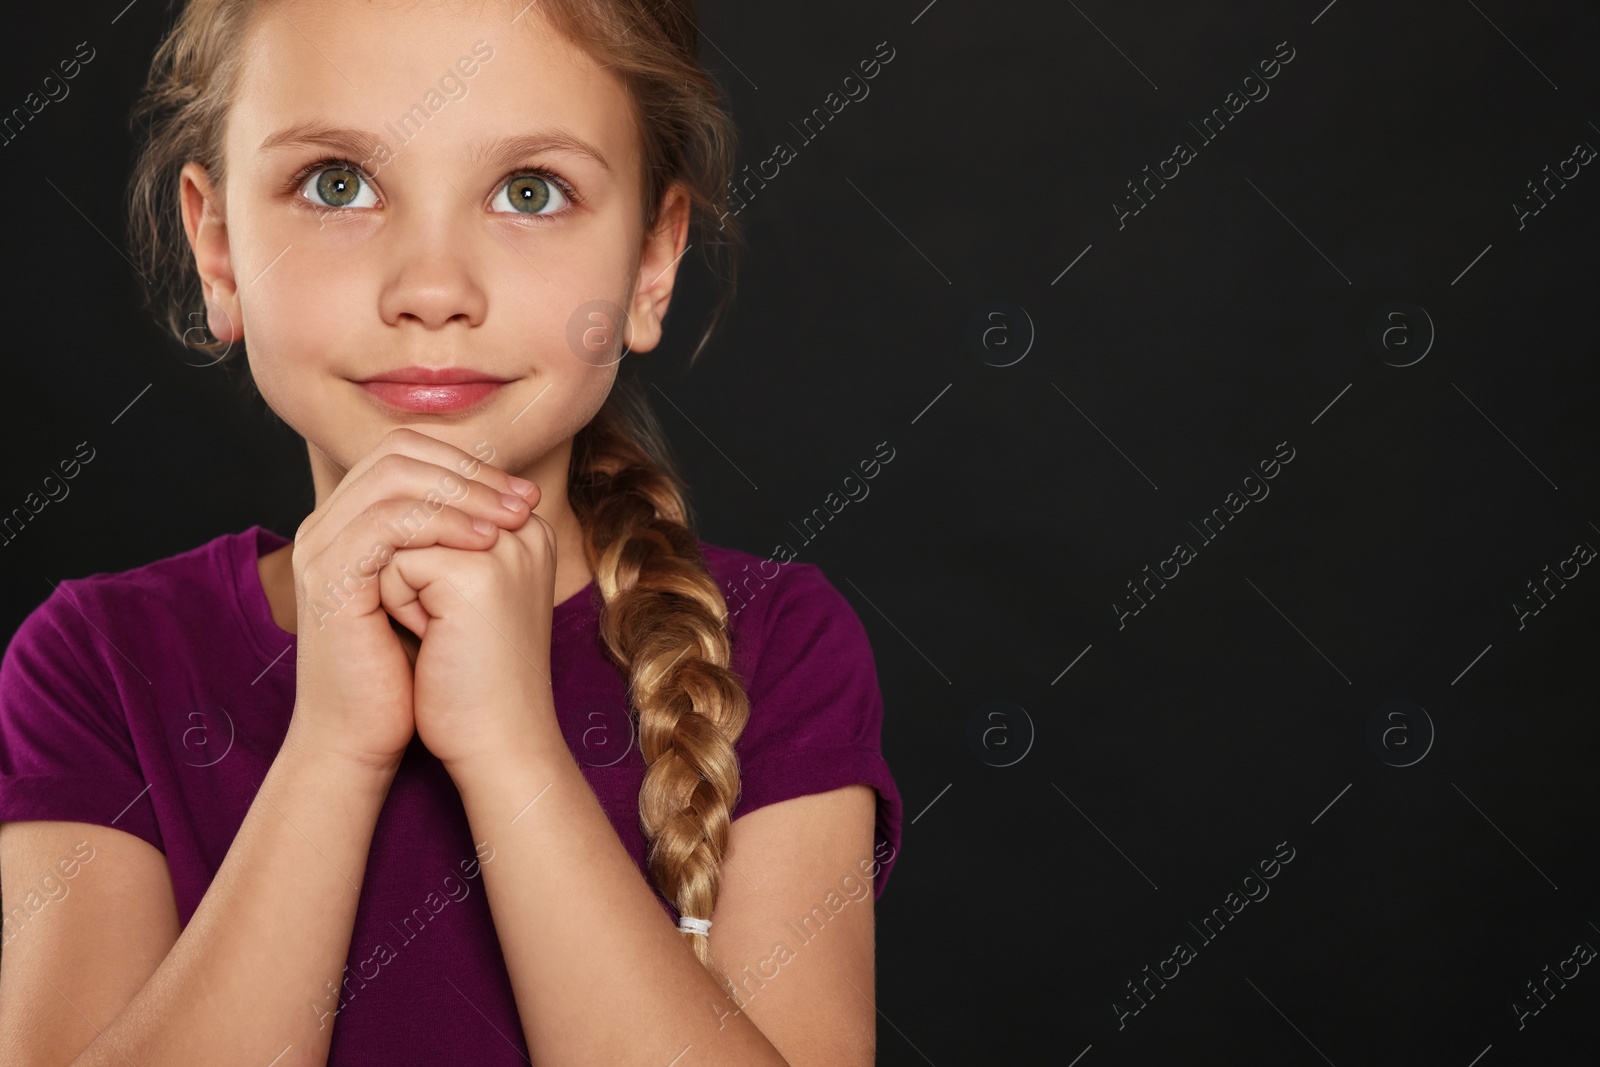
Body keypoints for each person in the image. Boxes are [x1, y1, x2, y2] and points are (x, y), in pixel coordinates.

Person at [0, 1, 902, 1063]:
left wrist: (512, 751)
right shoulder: (99, 662)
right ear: (220, 247)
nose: (433, 289)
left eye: (530, 192)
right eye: (338, 183)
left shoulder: (777, 649)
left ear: (652, 263)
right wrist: (333, 748)